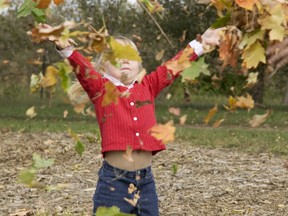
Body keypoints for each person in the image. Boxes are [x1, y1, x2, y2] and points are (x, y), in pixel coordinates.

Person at [53, 28, 222, 216]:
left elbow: (174, 66)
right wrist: (66, 49)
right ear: (103, 67)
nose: (125, 60)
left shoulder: (148, 86)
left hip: (146, 182)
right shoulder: (100, 89)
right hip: (113, 183)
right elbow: (84, 70)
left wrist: (202, 43)